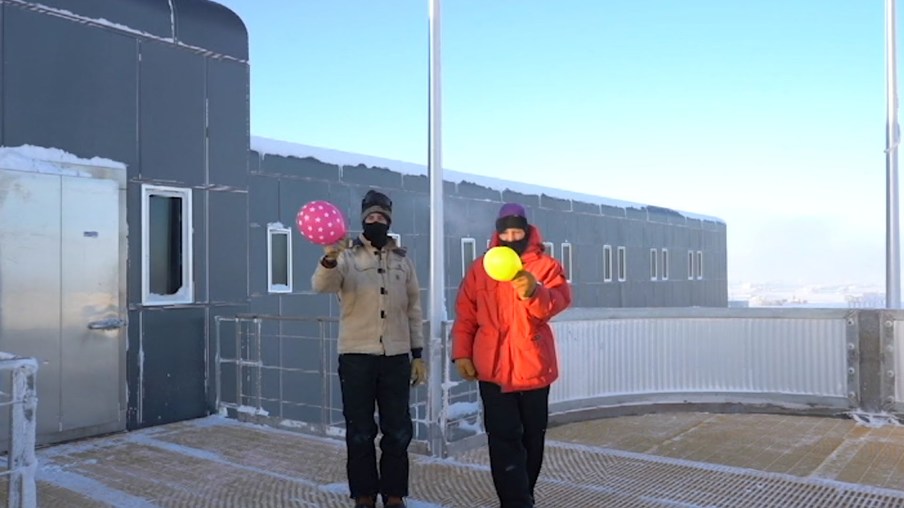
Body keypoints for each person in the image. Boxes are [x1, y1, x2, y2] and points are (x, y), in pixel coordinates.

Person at [451, 203, 572, 508]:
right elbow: (466, 315)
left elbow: (556, 303)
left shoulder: (547, 266)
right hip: (493, 370)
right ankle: (516, 502)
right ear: (498, 232)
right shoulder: (482, 267)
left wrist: (534, 291)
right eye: (505, 230)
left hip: (533, 366)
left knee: (532, 439)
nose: (511, 235)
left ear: (527, 230)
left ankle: (522, 495)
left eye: (517, 230)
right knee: (503, 438)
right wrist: (462, 354)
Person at [312, 189, 427, 508]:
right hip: (356, 356)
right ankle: (364, 494)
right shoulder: (345, 255)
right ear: (363, 219)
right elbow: (321, 285)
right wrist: (329, 258)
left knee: (398, 430)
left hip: (396, 358)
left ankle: (394, 494)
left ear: (389, 220)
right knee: (360, 430)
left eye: (381, 216)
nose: (376, 220)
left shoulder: (403, 260)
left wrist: (417, 354)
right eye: (371, 216)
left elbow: (413, 308)